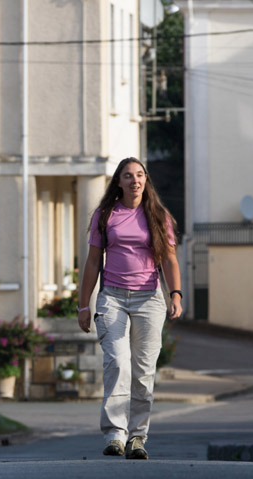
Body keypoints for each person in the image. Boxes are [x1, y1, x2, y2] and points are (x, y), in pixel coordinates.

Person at [77, 156, 182, 460]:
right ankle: (115, 434)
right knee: (118, 363)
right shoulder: (105, 215)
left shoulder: (158, 215)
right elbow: (93, 261)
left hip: (149, 299)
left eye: (139, 175)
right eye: (127, 176)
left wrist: (175, 294)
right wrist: (84, 305)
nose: (134, 180)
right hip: (112, 297)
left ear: (145, 180)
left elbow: (170, 259)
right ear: (119, 182)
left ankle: (137, 436)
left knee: (143, 371)